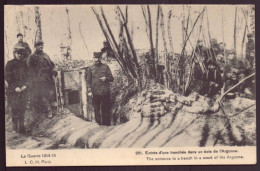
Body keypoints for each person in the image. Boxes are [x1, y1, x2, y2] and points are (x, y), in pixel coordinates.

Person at [27, 40, 57, 118]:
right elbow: (30, 69)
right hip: (39, 78)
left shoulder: (46, 55)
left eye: (42, 45)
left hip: (48, 78)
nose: (41, 46)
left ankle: (49, 108)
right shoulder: (32, 56)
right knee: (43, 94)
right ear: (35, 46)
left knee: (50, 93)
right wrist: (34, 79)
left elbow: (52, 64)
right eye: (39, 45)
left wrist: (54, 70)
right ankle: (49, 110)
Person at [5, 46, 29, 133]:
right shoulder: (10, 64)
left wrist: (25, 86)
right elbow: (8, 77)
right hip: (13, 91)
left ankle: (22, 128)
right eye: (18, 53)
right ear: (14, 54)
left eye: (21, 54)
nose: (20, 55)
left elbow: (28, 77)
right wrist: (15, 87)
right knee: (15, 108)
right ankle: (14, 128)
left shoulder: (25, 64)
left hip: (23, 90)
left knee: (22, 108)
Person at [86, 52, 114, 126]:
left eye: (98, 58)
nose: (97, 60)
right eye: (95, 58)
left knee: (105, 109)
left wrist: (106, 78)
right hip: (95, 93)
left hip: (105, 92)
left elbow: (112, 78)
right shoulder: (90, 68)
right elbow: (88, 81)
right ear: (93, 58)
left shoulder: (106, 67)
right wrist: (89, 90)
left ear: (100, 58)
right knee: (96, 109)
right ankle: (98, 125)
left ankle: (106, 125)